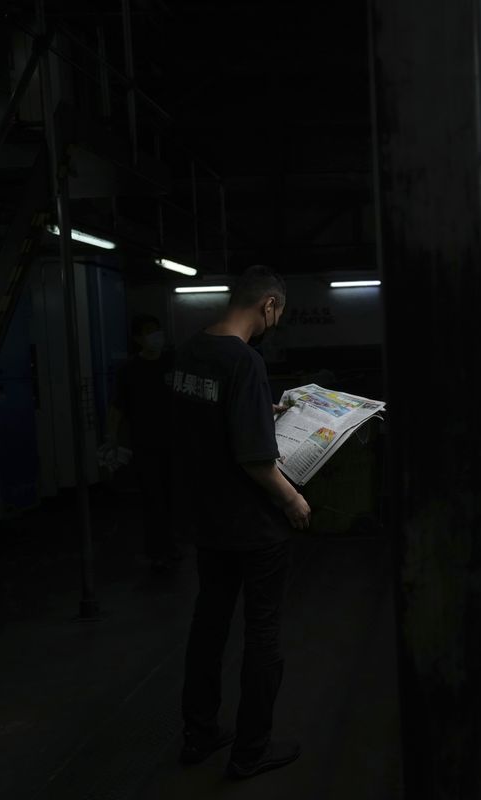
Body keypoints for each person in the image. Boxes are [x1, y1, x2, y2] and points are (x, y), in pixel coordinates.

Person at [173, 265, 311, 779]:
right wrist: (291, 500)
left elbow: (203, 426)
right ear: (268, 306)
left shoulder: (188, 351)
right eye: (278, 315)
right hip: (253, 527)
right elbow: (255, 459)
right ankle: (250, 751)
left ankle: (199, 734)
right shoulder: (245, 361)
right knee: (262, 634)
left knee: (208, 627)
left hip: (208, 521)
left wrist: (261, 410)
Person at [105, 314, 178, 573]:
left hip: (175, 442)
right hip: (145, 444)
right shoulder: (130, 370)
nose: (155, 336)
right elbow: (117, 407)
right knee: (153, 499)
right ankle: (158, 551)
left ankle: (174, 547)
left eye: (157, 330)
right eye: (149, 332)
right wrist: (112, 437)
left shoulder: (172, 362)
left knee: (175, 498)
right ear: (138, 338)